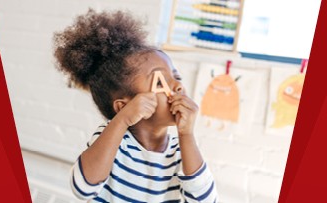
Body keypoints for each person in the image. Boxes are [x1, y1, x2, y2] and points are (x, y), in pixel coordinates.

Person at [53, 9, 218, 203]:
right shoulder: (113, 141)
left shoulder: (181, 150)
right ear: (125, 107)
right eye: (160, 82)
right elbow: (83, 189)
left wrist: (187, 135)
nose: (179, 85)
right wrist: (122, 120)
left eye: (177, 77)